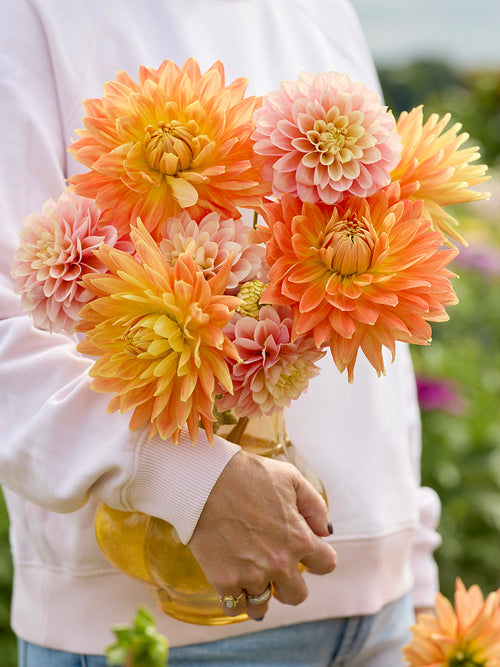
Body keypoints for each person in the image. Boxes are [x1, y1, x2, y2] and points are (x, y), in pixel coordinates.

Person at [0, 1, 441, 665]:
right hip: (166, 634)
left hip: (385, 618)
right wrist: (186, 482)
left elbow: (380, 319)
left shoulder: (323, 10)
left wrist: (413, 561)